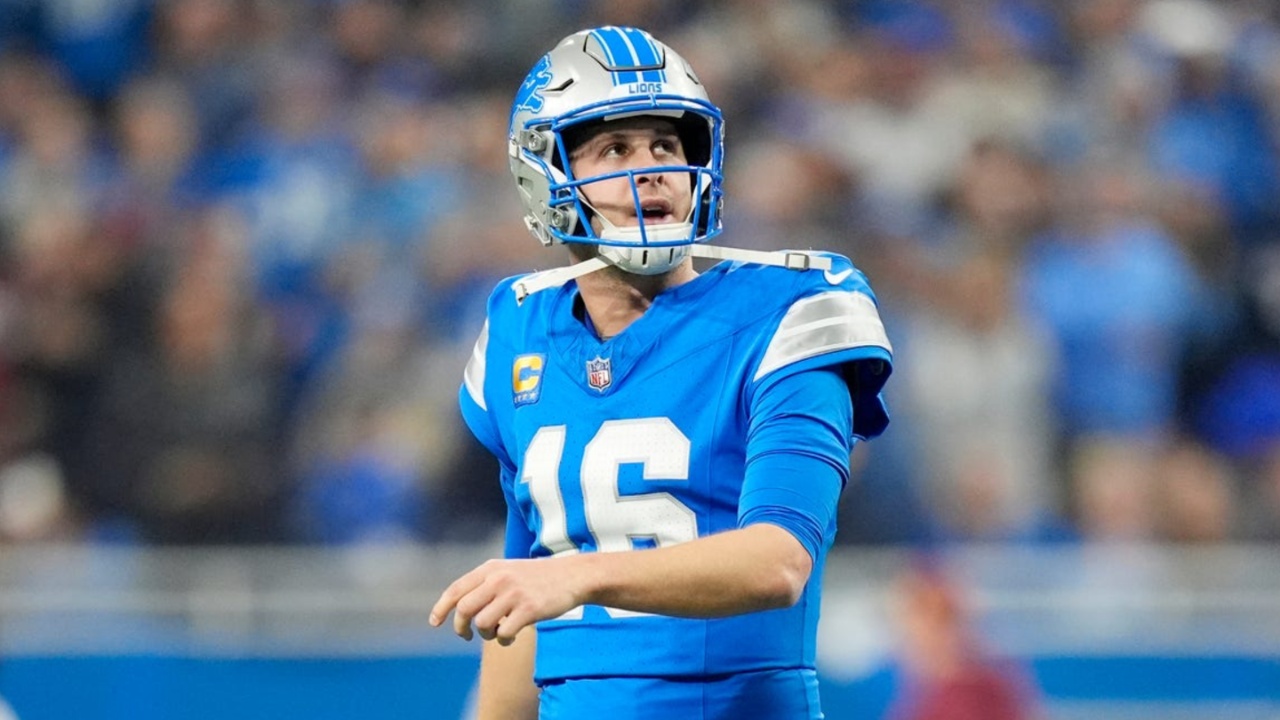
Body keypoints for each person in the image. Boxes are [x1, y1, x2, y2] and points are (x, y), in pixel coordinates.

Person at [429, 25, 894, 720]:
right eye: (615, 147)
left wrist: (574, 577)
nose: (650, 168)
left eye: (666, 146)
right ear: (546, 175)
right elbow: (526, 600)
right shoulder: (520, 332)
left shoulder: (790, 313)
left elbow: (778, 562)